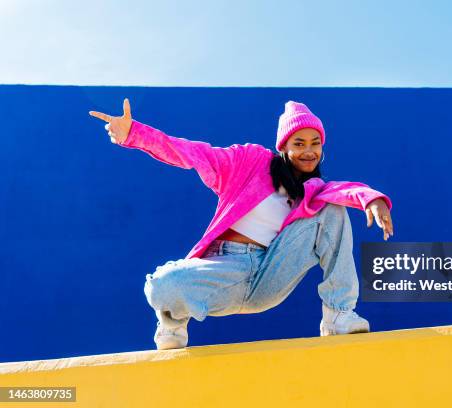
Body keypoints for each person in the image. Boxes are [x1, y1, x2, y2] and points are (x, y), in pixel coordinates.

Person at [89, 99, 394, 350]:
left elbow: (346, 190)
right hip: (224, 268)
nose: (308, 151)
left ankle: (338, 314)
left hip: (271, 273)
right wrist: (135, 134)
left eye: (315, 143)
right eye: (299, 143)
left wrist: (373, 200)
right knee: (160, 287)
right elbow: (195, 153)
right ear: (283, 147)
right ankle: (172, 320)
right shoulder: (250, 163)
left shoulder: (313, 191)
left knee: (334, 210)